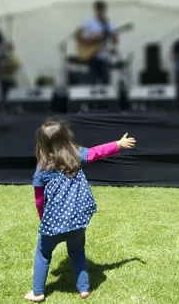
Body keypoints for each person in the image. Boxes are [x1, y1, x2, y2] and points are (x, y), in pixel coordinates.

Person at [25, 119, 136, 302]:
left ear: (42, 144)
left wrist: (42, 218)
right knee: (77, 252)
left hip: (52, 225)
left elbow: (39, 201)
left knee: (43, 253)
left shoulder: (41, 170)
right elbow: (97, 152)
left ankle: (37, 293)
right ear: (66, 138)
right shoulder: (76, 155)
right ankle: (83, 289)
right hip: (78, 222)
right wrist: (119, 144)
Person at [75, 0, 118, 84]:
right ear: (95, 10)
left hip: (105, 57)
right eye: (98, 10)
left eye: (102, 10)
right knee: (92, 82)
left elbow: (115, 41)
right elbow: (77, 35)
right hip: (92, 56)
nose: (100, 12)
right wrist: (89, 40)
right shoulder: (89, 22)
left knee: (106, 83)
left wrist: (114, 36)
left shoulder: (109, 24)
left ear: (105, 10)